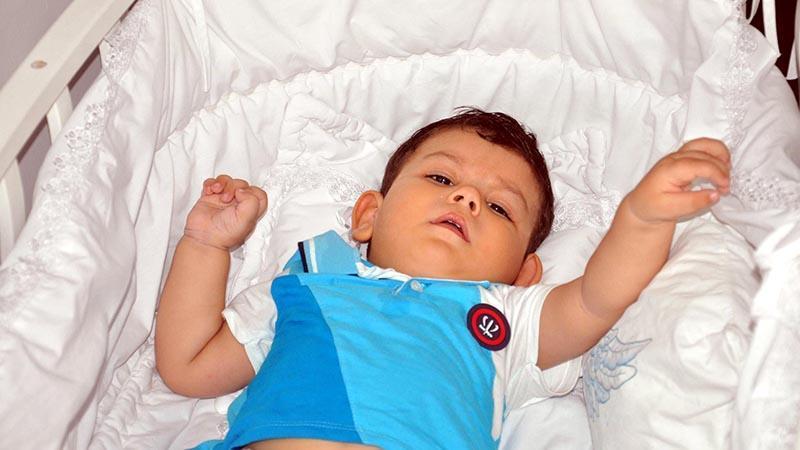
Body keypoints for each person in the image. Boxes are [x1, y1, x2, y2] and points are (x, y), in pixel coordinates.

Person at [154, 109, 731, 449]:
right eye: (440, 178)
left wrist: (641, 218)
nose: (467, 197)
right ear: (368, 215)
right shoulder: (312, 276)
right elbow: (189, 364)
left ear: (523, 274)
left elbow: (595, 299)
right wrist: (207, 245)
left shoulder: (505, 317)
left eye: (499, 208)